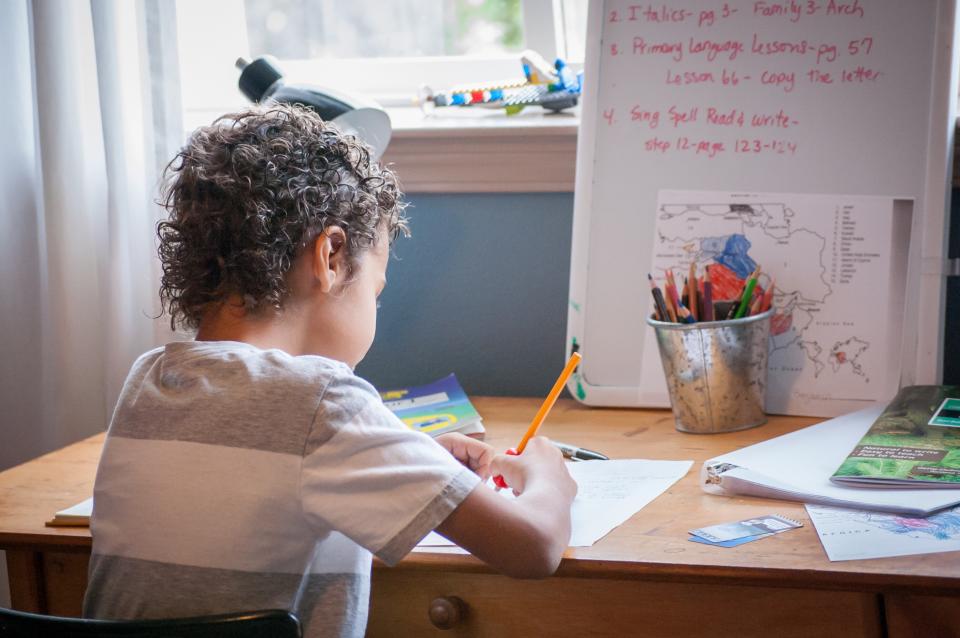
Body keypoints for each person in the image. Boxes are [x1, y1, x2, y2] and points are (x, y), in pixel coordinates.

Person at [82, 103, 576, 638]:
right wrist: (549, 475)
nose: (375, 308)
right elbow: (534, 547)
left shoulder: (149, 380)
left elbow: (265, 462)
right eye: (376, 290)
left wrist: (401, 452)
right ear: (331, 256)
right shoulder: (322, 403)